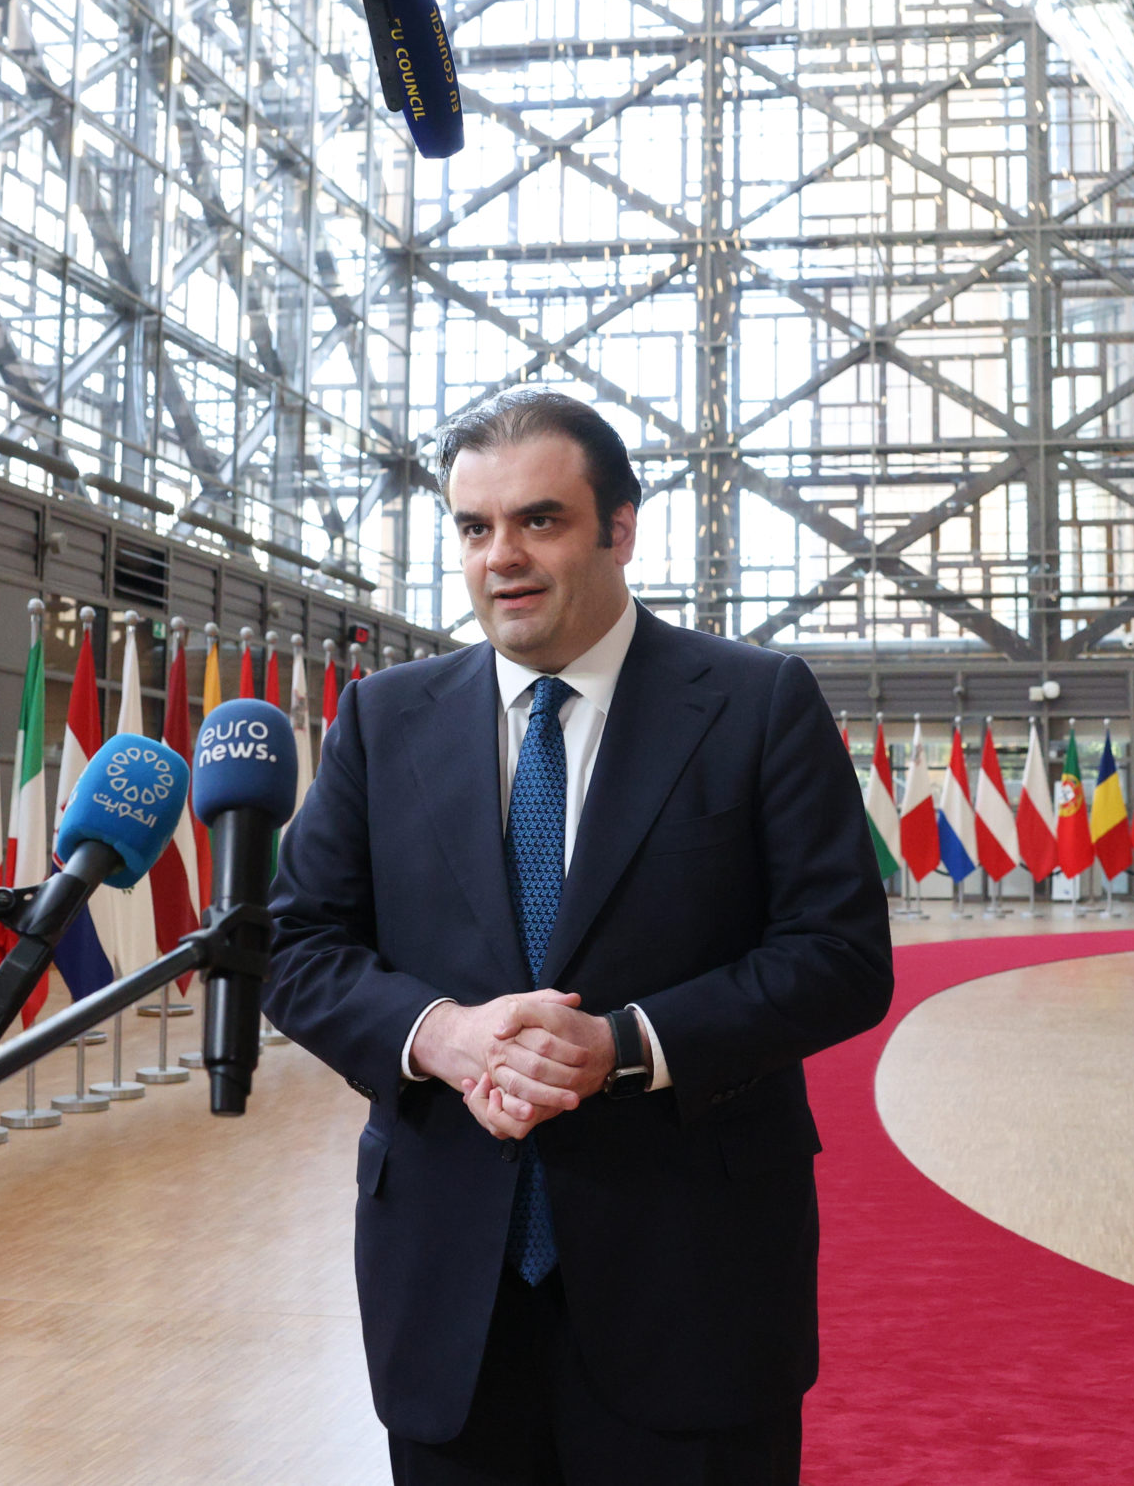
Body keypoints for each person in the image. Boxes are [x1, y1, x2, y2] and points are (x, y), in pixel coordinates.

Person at [263, 389, 895, 1484]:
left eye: (539, 520)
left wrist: (626, 1045)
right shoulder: (382, 717)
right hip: (447, 1297)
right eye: (474, 527)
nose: (501, 556)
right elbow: (298, 945)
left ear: (620, 529)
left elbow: (837, 954)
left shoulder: (756, 703)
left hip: (691, 1285)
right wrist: (443, 1035)